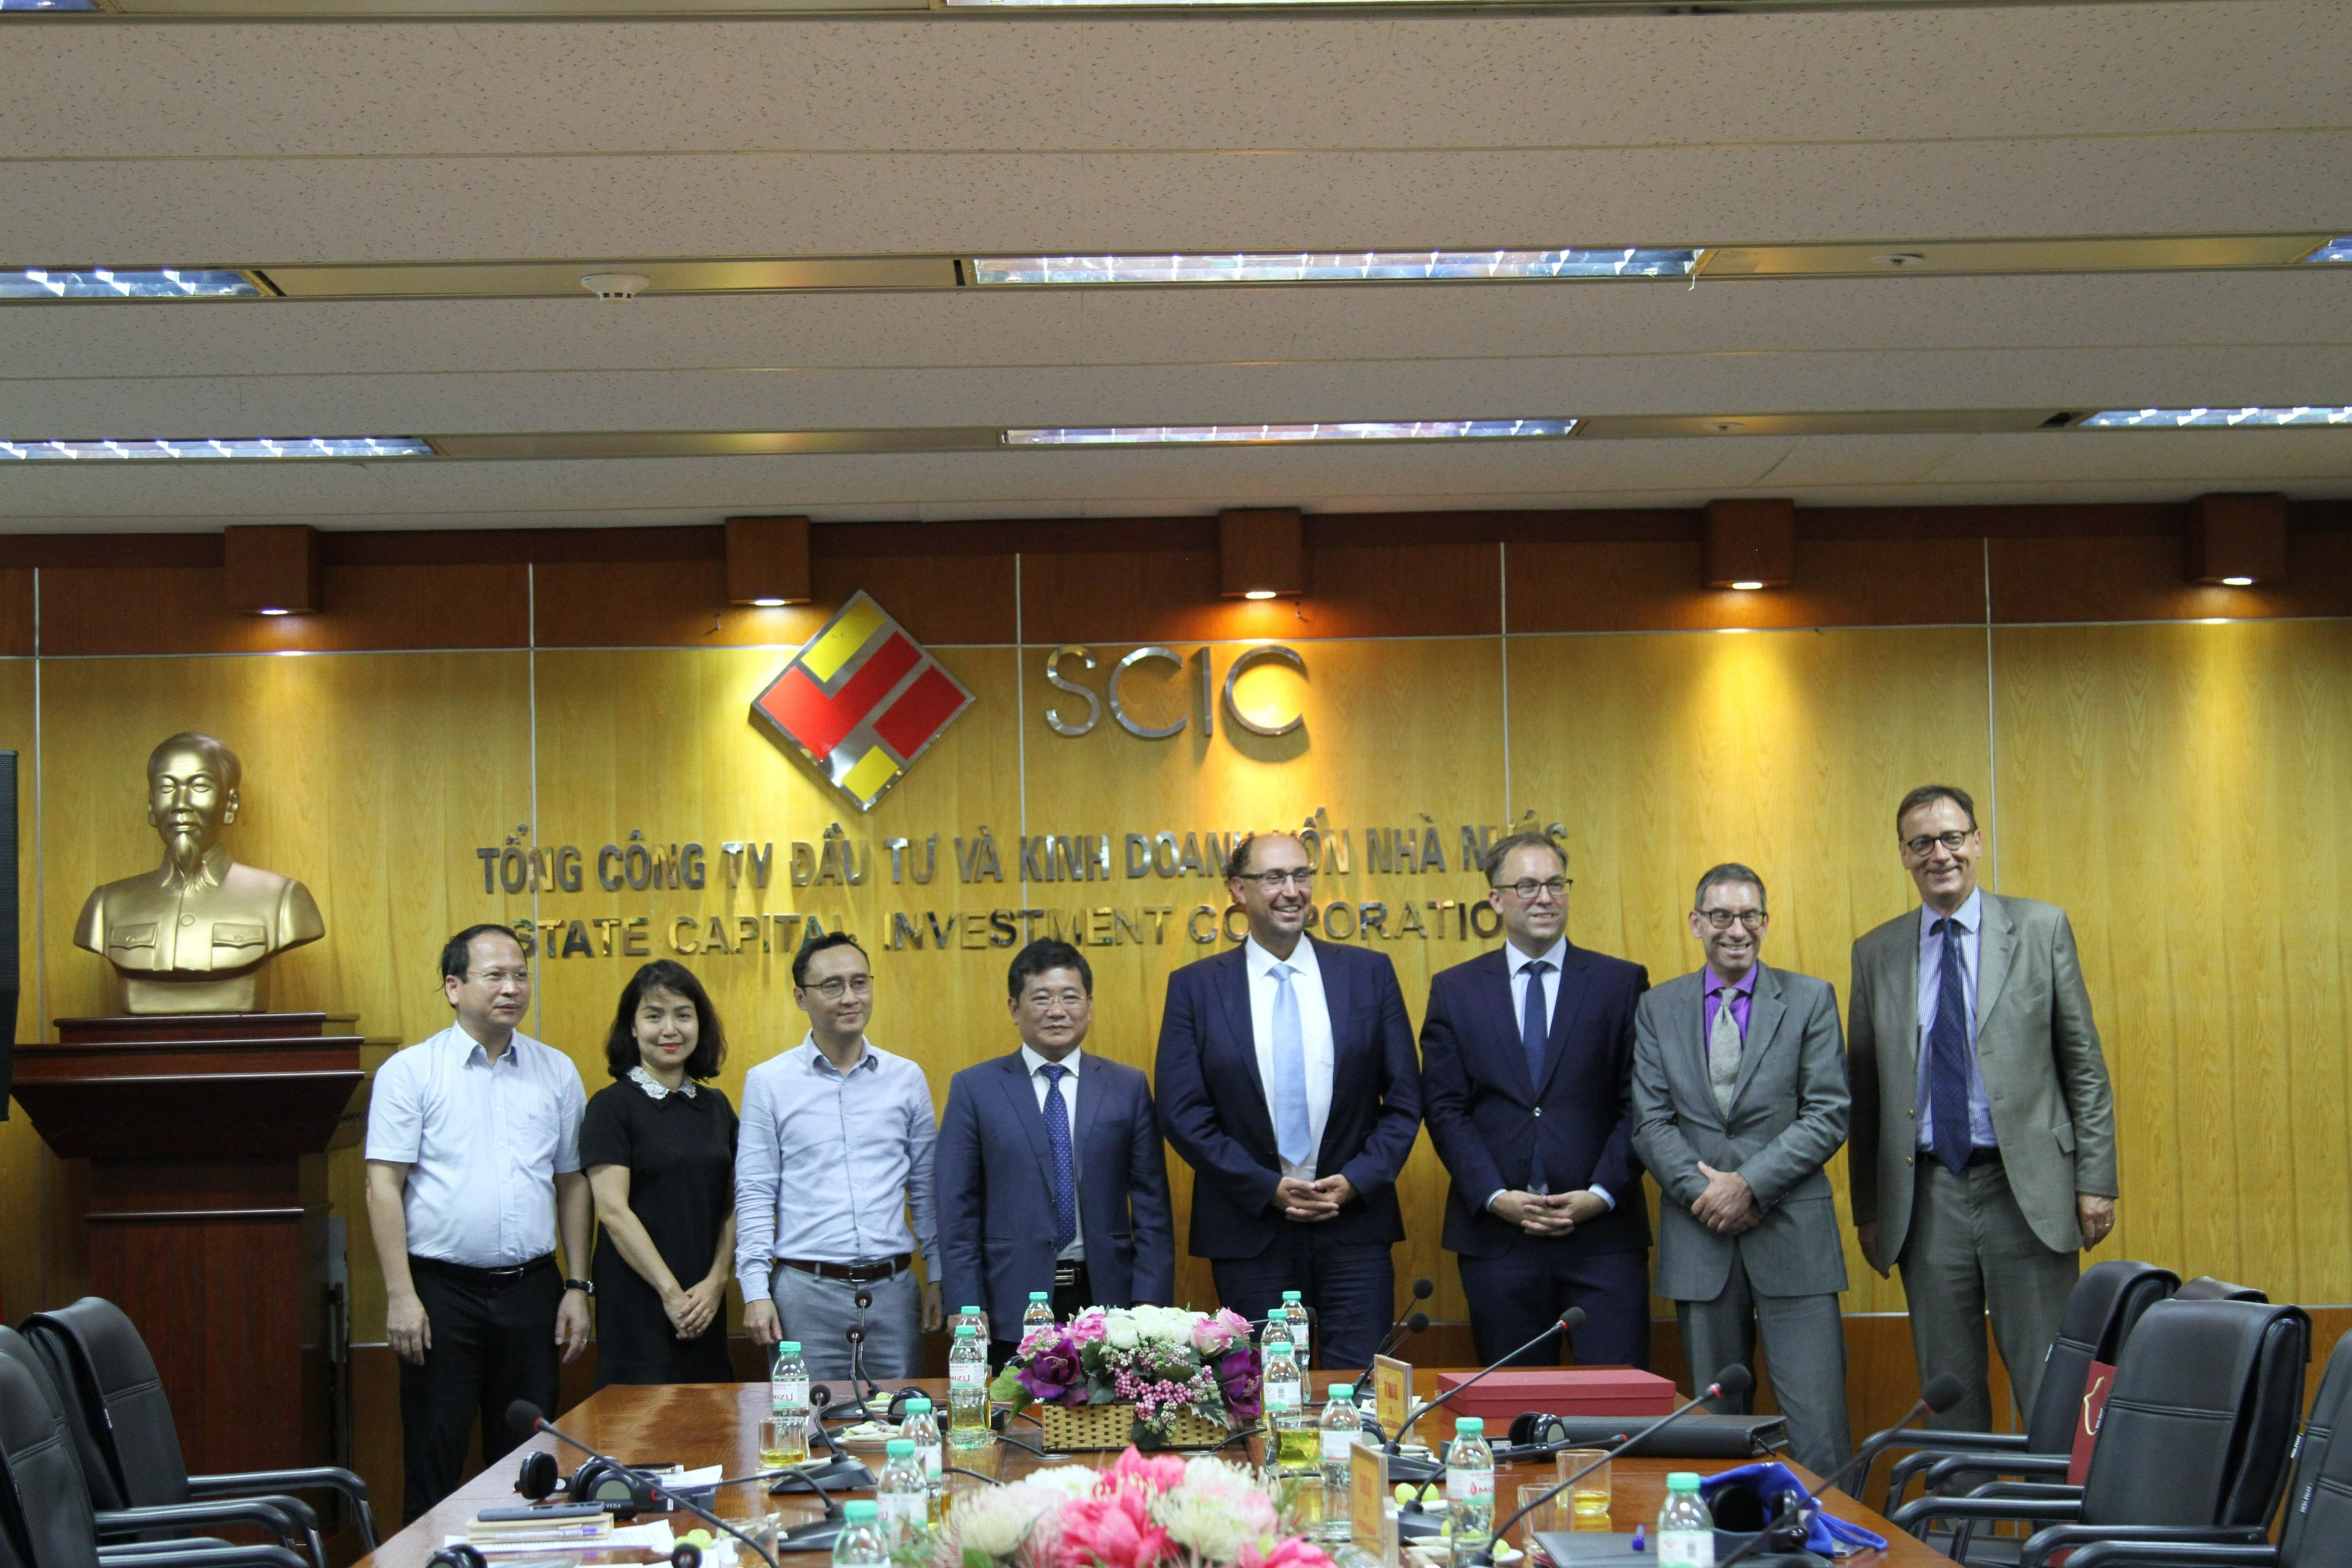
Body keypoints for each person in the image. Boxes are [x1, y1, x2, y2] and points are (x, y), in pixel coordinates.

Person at [1849, 784, 2121, 1435]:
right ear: (1903, 855)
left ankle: (2060, 1506)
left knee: (2051, 1383)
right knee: (1949, 1392)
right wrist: (1869, 1210)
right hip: (1927, 1196)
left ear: (1976, 841)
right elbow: (1866, 1094)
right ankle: (1959, 1508)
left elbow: (2083, 1064)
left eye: (1951, 838)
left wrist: (2095, 1179)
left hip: (2025, 1191)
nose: (1939, 854)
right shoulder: (1875, 952)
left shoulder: (2040, 928)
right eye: (1921, 843)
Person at [1154, 831, 1422, 1369]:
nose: (1292, 890)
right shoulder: (1196, 987)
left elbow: (1404, 1098)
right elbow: (1183, 1112)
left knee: (1359, 1386)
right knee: (1266, 1390)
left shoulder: (1368, 974)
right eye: (1274, 877)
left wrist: (1358, 1180)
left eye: (1301, 875)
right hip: (1249, 1228)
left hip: (1353, 1226)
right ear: (1238, 889)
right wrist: (1265, 1188)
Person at [363, 924, 591, 1523]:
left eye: (520, 976)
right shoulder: (411, 1072)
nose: (511, 988)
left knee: (530, 1462)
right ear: (453, 987)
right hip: (441, 1294)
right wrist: (401, 1295)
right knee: (434, 1453)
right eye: (494, 976)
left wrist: (577, 1285)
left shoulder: (556, 1071)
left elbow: (572, 1182)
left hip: (532, 1290)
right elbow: (382, 1186)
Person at [1631, 864, 1852, 1477]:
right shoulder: (1657, 1007)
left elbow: (1828, 1112)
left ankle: (1829, 1533)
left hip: (1794, 1239)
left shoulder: (1809, 999)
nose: (1737, 929)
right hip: (1701, 1239)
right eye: (1721, 916)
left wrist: (1749, 1186)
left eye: (1749, 915)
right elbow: (1650, 1122)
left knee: (1818, 1428)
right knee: (1718, 1433)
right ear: (1696, 922)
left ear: (1765, 922)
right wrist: (1709, 1196)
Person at [1420, 830, 1651, 1369]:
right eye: (1526, 886)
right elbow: (1446, 1108)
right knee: (1513, 1406)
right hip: (1499, 1242)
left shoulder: (1620, 983)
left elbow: (1641, 1102)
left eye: (1555, 884)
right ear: (1496, 899)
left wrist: (1600, 1194)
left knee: (1616, 1403)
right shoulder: (1455, 990)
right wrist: (1495, 1195)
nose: (1544, 898)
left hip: (1603, 1239)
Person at [937, 939, 1176, 1363]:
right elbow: (957, 1207)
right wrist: (965, 1302)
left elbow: (1152, 1206)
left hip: (1110, 1303)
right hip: (1010, 1300)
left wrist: (1150, 1304)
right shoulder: (975, 1089)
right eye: (1041, 998)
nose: (1057, 1011)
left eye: (1070, 997)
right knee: (1016, 1406)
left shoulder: (1127, 1087)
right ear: (1015, 1008)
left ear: (1089, 1005)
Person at [736, 932, 942, 1380]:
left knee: (899, 1416)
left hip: (892, 1294)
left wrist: (939, 1275)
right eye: (832, 986)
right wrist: (754, 1290)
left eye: (859, 983)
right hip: (803, 1296)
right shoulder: (768, 1082)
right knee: (807, 1419)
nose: (850, 998)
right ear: (801, 998)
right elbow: (754, 1193)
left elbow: (926, 1189)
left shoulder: (906, 1078)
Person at [579, 960, 740, 1388]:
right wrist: (670, 1293)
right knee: (638, 1417)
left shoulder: (717, 1107)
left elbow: (735, 1206)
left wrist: (716, 1282)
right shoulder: (611, 1106)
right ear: (632, 1028)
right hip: (638, 1299)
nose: (670, 1029)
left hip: (705, 1302)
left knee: (710, 1414)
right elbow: (613, 1212)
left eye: (683, 1015)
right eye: (654, 1016)